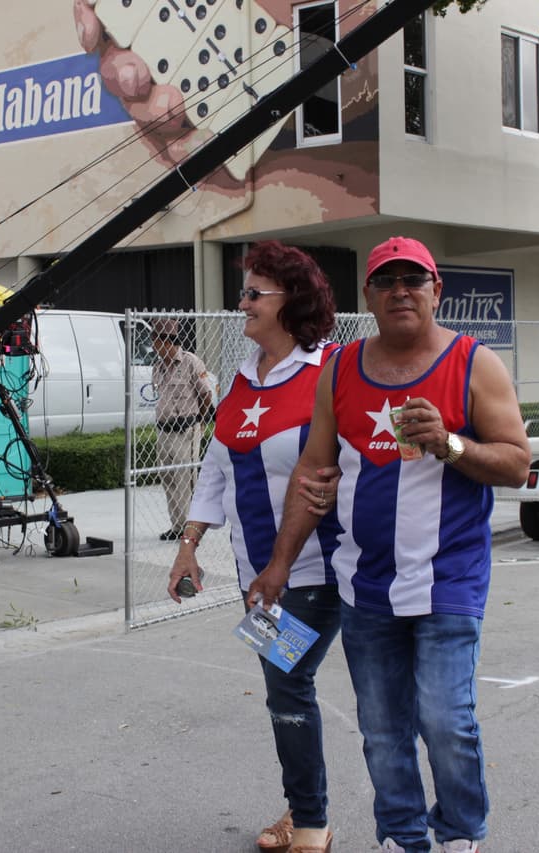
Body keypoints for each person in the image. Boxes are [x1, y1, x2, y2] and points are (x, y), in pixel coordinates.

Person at [248, 237, 532, 853]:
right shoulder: (342, 369)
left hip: (448, 581)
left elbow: (516, 465)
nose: (401, 289)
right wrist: (277, 568)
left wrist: (451, 444)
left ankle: (459, 835)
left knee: (445, 720)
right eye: (386, 280)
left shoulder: (474, 363)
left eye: (415, 279)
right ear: (369, 296)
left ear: (437, 289)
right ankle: (402, 839)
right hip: (365, 584)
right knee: (381, 729)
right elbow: (313, 475)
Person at [168, 241, 344, 853]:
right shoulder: (241, 378)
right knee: (282, 685)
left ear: (290, 303)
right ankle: (301, 808)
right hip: (257, 579)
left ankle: (311, 819)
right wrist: (189, 546)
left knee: (288, 682)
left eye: (252, 293)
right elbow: (215, 471)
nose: (240, 303)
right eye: (243, 292)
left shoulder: (329, 374)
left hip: (319, 570)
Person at [151, 316, 214, 541]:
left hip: (185, 429)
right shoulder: (158, 367)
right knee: (167, 477)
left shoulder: (190, 362)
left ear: (166, 342)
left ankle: (189, 528)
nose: (155, 348)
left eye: (156, 342)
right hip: (164, 430)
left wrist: (201, 420)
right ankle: (176, 525)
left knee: (185, 480)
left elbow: (206, 394)